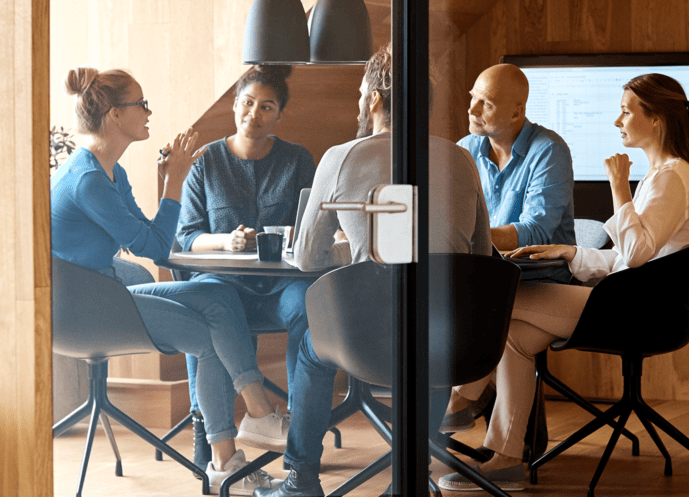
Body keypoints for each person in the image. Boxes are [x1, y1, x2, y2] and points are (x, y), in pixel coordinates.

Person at [438, 73, 689, 492]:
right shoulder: (669, 175)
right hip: (634, 301)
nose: (617, 120)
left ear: (655, 120)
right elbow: (628, 256)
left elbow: (637, 254)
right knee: (514, 334)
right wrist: (570, 252)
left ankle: (456, 402)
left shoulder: (670, 178)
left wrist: (619, 188)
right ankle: (507, 459)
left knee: (502, 301)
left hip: (641, 311)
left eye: (626, 110)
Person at [254, 44, 494, 497]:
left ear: (377, 100)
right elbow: (480, 258)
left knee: (309, 343)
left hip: (369, 338)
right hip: (456, 339)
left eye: (361, 93)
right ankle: (413, 470)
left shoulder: (342, 156)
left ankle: (302, 477)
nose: (359, 101)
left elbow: (306, 257)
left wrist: (361, 251)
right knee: (433, 335)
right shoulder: (462, 160)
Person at [51, 66, 287, 495]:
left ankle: (255, 416)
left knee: (216, 293)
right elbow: (158, 247)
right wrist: (174, 180)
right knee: (205, 335)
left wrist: (179, 201)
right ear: (114, 115)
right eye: (140, 104)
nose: (147, 112)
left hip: (105, 289)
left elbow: (154, 235)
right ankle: (227, 461)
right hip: (80, 309)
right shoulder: (88, 180)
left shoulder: (110, 172)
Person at [176, 65, 314, 468]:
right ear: (234, 105)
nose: (254, 113)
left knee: (310, 309)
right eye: (247, 103)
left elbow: (311, 228)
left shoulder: (298, 160)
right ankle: (212, 428)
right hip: (225, 285)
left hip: (282, 286)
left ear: (278, 116)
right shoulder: (205, 163)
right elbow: (187, 236)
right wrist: (227, 241)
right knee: (207, 302)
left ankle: (300, 435)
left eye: (266, 107)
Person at [458, 64, 576, 282]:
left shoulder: (550, 151)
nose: (472, 110)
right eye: (473, 97)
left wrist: (470, 237)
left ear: (516, 113)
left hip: (538, 278)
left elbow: (535, 232)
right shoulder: (465, 149)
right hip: (488, 275)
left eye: (486, 103)